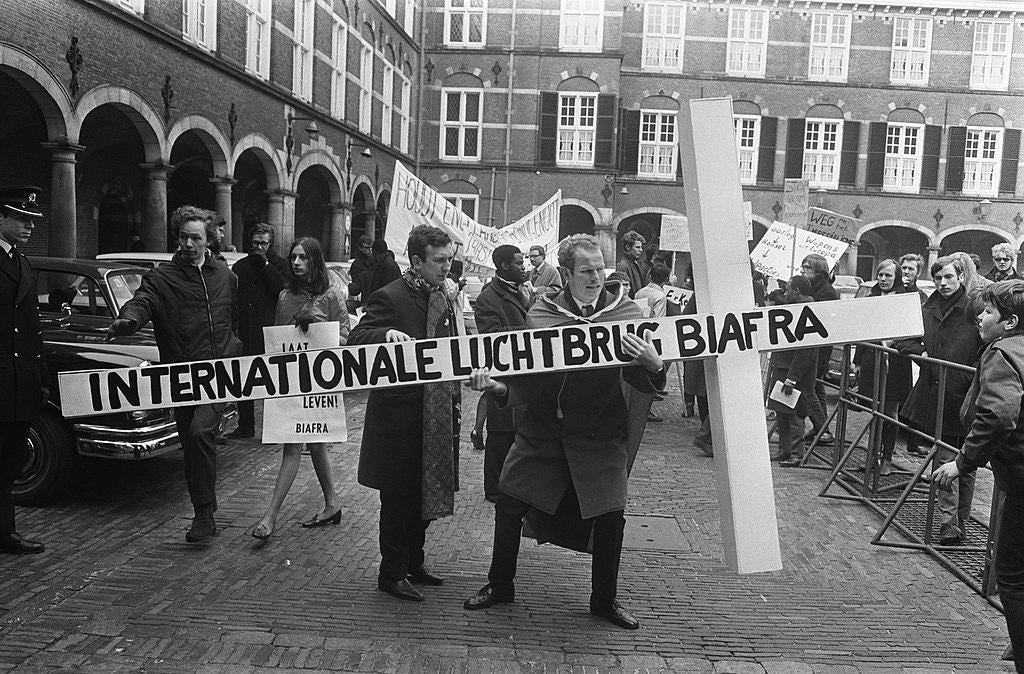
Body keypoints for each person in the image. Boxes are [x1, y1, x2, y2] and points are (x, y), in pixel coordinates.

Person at [463, 234, 666, 630]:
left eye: (600, 270)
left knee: (611, 517)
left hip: (600, 434)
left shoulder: (625, 314)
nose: (596, 278)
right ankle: (500, 584)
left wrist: (654, 366)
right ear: (566, 273)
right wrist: (498, 388)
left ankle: (604, 600)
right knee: (509, 503)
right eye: (586, 271)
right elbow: (530, 379)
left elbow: (640, 382)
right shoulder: (542, 314)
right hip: (544, 431)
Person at [107, 205, 242, 544]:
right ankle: (203, 511)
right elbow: (142, 301)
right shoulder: (161, 278)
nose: (188, 244)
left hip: (218, 373)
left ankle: (204, 513)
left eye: (195, 238)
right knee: (190, 444)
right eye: (183, 237)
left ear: (208, 240)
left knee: (199, 433)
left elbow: (235, 318)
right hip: (180, 376)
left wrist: (237, 349)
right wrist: (129, 320)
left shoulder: (225, 277)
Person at [348, 225, 461, 602]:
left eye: (449, 259)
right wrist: (385, 336)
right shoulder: (391, 296)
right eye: (439, 261)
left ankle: (414, 562)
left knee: (427, 491)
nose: (447, 267)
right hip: (400, 417)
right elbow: (356, 338)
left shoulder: (442, 295)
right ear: (416, 261)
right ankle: (391, 573)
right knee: (398, 498)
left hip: (436, 412)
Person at [933, 280, 1024, 674]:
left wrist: (962, 462)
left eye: (988, 312)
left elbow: (999, 414)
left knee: (1011, 572)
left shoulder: (1002, 352)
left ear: (1010, 322)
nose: (980, 319)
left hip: (1020, 478)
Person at [251, 237, 349, 540]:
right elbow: (279, 340)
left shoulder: (332, 296)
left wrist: (316, 330)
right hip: (293, 381)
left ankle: (273, 516)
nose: (296, 263)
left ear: (315, 261)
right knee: (295, 445)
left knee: (313, 443)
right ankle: (327, 504)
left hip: (319, 382)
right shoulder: (285, 296)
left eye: (303, 258)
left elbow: (345, 338)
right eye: (293, 257)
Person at [895, 255, 982, 546]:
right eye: (938, 278)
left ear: (961, 277)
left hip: (966, 394)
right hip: (936, 394)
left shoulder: (974, 308)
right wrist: (921, 353)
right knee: (945, 457)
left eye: (948, 277)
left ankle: (960, 519)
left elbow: (987, 345)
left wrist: (973, 377)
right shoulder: (927, 308)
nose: (943, 283)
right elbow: (903, 339)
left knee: (967, 462)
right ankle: (949, 522)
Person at [0, 186, 47, 555]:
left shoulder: (23, 262)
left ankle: (5, 532)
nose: (30, 225)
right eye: (21, 218)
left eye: (32, 220)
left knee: (11, 460)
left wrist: (39, 379)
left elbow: (31, 329)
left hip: (19, 384)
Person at [473, 244, 530, 503]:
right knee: (500, 434)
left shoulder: (522, 290)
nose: (523, 266)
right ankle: (494, 490)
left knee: (516, 433)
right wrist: (529, 333)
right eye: (518, 262)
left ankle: (512, 485)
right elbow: (491, 336)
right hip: (502, 374)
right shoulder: (488, 298)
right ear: (504, 266)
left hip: (522, 373)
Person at [228, 223, 289, 439]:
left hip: (271, 330)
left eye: (263, 243)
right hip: (245, 330)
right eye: (255, 243)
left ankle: (275, 428)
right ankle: (246, 426)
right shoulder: (240, 266)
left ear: (270, 244)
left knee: (273, 381)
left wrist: (265, 265)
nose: (259, 247)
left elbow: (282, 291)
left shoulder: (281, 265)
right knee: (243, 379)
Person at [852, 259, 911, 475]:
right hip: (872, 361)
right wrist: (858, 361)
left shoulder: (905, 299)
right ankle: (872, 456)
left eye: (888, 275)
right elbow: (862, 330)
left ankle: (887, 458)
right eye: (880, 275)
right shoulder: (871, 298)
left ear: (897, 277)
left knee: (890, 411)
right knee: (875, 410)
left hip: (895, 363)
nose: (883, 279)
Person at [767, 276, 817, 466]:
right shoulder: (795, 308)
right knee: (782, 411)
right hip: (784, 369)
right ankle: (784, 450)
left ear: (796, 291)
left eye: (788, 289)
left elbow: (805, 351)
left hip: (795, 374)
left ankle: (796, 454)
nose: (785, 293)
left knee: (795, 414)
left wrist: (792, 378)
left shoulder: (807, 312)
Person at [800, 254, 838, 444]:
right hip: (814, 346)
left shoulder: (826, 292)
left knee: (808, 387)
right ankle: (821, 429)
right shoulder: (812, 287)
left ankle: (822, 428)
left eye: (807, 268)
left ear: (818, 271)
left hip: (819, 349)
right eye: (803, 267)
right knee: (817, 387)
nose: (803, 271)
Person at [616, 230, 650, 300]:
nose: (641, 250)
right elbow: (622, 292)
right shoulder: (623, 265)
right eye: (637, 247)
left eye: (641, 247)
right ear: (628, 247)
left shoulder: (635, 263)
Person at [347, 235, 374, 303]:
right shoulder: (357, 264)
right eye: (367, 248)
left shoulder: (375, 260)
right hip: (368, 299)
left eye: (371, 247)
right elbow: (357, 286)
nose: (370, 250)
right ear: (360, 248)